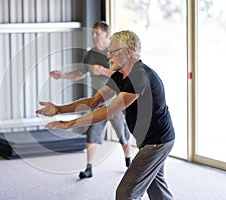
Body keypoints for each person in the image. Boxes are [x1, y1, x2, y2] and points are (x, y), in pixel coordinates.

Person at [36, 30, 175, 199]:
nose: (108, 56)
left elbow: (108, 112)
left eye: (113, 52)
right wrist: (59, 109)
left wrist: (68, 124)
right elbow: (94, 101)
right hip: (150, 141)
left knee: (126, 193)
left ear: (128, 51)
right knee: (157, 190)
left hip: (157, 142)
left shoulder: (140, 76)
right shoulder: (119, 76)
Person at [50, 21, 131, 179]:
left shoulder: (116, 52)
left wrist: (102, 70)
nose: (94, 37)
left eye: (97, 34)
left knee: (123, 135)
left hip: (115, 102)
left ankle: (129, 163)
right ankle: (89, 168)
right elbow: (80, 73)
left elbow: (124, 76)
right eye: (93, 33)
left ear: (107, 35)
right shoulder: (90, 53)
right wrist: (63, 75)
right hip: (97, 103)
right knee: (91, 135)